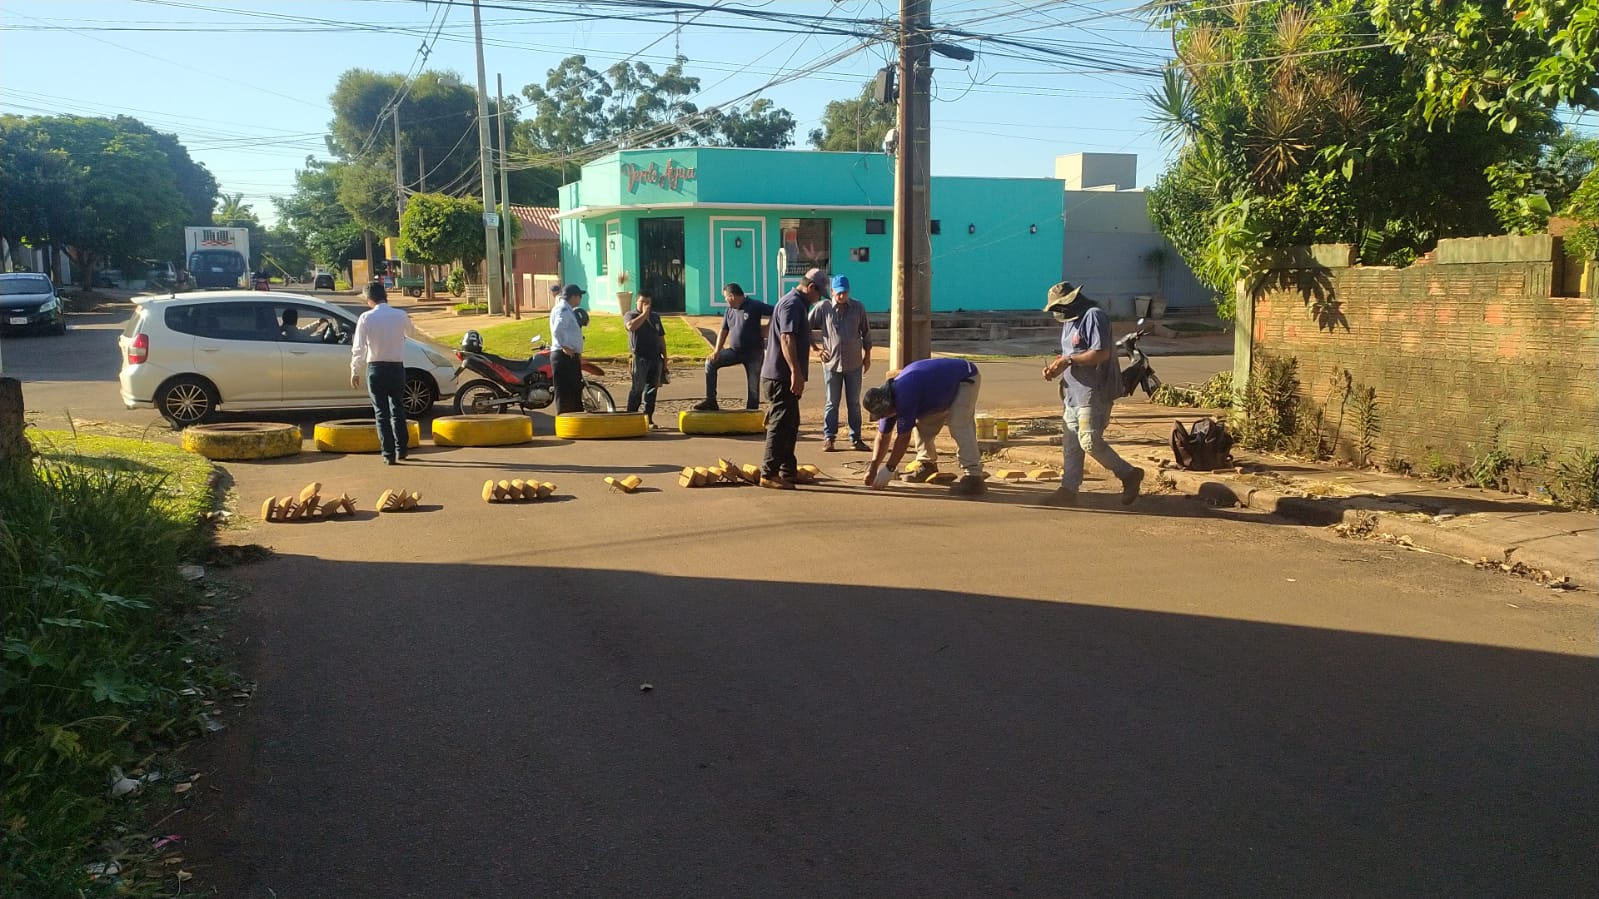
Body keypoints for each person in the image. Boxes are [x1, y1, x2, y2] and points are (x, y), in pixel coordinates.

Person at [1038, 281, 1143, 507]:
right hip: (1072, 393)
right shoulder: (1069, 323)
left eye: (1059, 307)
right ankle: (1068, 489)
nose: (1057, 312)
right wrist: (1056, 368)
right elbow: (1070, 355)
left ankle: (1128, 474)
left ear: (1071, 302)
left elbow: (1100, 353)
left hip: (1094, 391)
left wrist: (1067, 361)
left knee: (1090, 441)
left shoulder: (1093, 316)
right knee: (1071, 445)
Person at [862, 358, 987, 496]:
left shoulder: (905, 396)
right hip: (938, 391)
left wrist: (889, 469)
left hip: (964, 377)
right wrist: (873, 467)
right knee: (923, 424)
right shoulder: (886, 402)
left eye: (885, 414)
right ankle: (927, 464)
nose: (885, 416)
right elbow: (882, 437)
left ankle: (974, 475)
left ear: (889, 405)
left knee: (959, 423)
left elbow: (903, 438)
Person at [757, 268, 827, 489]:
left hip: (784, 375)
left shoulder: (797, 303)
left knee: (790, 424)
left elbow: (799, 335)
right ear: (811, 288)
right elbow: (787, 338)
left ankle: (787, 471)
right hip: (780, 376)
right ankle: (768, 473)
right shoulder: (792, 304)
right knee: (780, 425)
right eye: (819, 294)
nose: (819, 299)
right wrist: (795, 371)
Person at [349, 280, 415, 465]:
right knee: (398, 409)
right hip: (396, 368)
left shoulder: (365, 318)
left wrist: (355, 370)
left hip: (376, 368)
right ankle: (402, 449)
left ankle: (388, 453)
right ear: (385, 296)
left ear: (369, 299)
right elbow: (411, 333)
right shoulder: (400, 315)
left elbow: (359, 348)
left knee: (381, 413)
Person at [808, 274, 873, 452]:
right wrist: (816, 349)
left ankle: (856, 438)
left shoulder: (858, 307)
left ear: (848, 292)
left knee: (853, 402)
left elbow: (866, 332)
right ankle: (829, 437)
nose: (842, 296)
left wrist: (867, 356)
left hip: (854, 364)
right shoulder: (823, 307)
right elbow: (805, 327)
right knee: (832, 402)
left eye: (845, 293)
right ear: (832, 291)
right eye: (839, 293)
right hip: (831, 364)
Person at [693, 283, 772, 411]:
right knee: (710, 363)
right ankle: (711, 400)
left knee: (753, 386)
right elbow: (723, 331)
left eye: (725, 297)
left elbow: (776, 311)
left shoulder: (754, 305)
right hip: (735, 351)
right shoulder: (729, 310)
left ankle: (752, 411)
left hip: (753, 354)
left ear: (732, 296)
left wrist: (768, 328)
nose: (725, 300)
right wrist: (716, 351)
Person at [623, 290, 666, 427]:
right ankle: (631, 417)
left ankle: (648, 418)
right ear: (637, 301)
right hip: (639, 357)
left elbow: (661, 337)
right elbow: (631, 327)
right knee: (637, 388)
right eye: (643, 302)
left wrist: (665, 357)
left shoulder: (655, 317)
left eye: (648, 303)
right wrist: (644, 314)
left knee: (652, 389)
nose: (646, 305)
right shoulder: (631, 315)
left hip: (655, 357)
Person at [548, 283, 586, 414]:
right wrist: (565, 346)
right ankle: (566, 424)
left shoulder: (567, 309)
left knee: (575, 391)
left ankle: (576, 423)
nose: (580, 299)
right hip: (563, 356)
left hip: (570, 356)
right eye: (579, 296)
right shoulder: (563, 309)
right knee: (565, 393)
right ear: (574, 296)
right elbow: (557, 330)